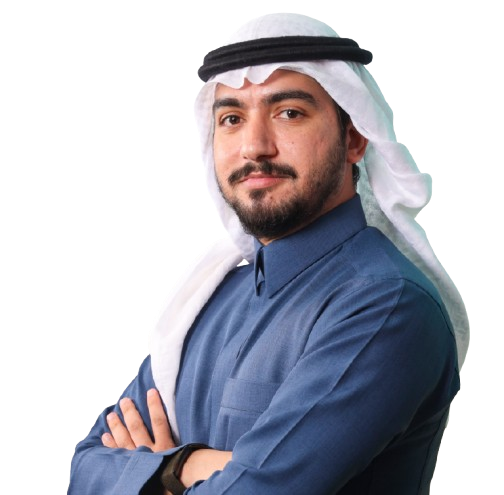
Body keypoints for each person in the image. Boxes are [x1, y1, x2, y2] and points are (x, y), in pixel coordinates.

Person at [67, 12, 470, 495]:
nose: (254, 147)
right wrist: (196, 465)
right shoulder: (210, 295)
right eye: (232, 119)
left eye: (289, 113)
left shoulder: (386, 305)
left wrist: (162, 471)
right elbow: (85, 469)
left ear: (354, 138)